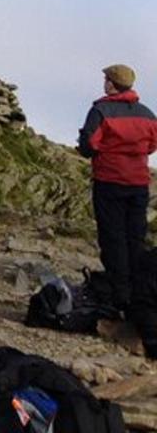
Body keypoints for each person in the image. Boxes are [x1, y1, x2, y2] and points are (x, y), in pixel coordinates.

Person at [77, 64, 157, 311]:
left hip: (109, 181)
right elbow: (152, 145)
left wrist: (92, 150)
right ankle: (138, 293)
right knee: (135, 237)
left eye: (106, 79)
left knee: (113, 238)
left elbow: (89, 144)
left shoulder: (101, 110)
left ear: (111, 83)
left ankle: (119, 296)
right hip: (138, 184)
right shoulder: (147, 114)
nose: (104, 82)